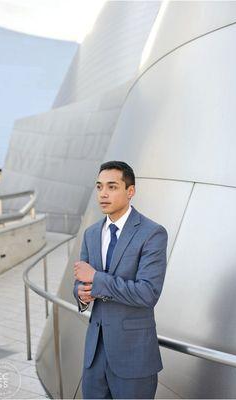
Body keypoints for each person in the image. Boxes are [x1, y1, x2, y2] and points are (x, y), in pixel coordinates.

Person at [73, 160, 168, 399]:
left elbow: (147, 293)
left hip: (133, 357)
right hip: (94, 357)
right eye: (99, 186)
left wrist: (96, 278)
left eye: (112, 187)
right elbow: (82, 281)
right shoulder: (91, 234)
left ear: (130, 191)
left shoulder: (152, 233)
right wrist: (81, 294)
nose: (103, 193)